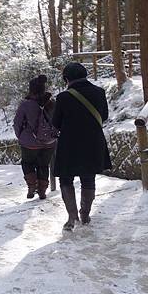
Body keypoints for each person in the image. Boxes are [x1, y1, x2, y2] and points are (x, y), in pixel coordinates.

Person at [52, 62, 112, 231]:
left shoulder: (63, 97)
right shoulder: (99, 92)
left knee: (66, 178)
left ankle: (71, 218)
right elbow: (104, 116)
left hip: (69, 143)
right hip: (93, 141)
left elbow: (56, 123)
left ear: (66, 78)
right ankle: (85, 214)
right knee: (88, 178)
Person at [13, 75, 58, 200]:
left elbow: (17, 123)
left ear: (31, 89)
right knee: (43, 165)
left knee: (27, 163)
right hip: (49, 142)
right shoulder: (53, 103)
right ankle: (42, 191)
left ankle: (32, 186)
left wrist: (20, 137)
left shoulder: (25, 105)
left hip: (29, 143)